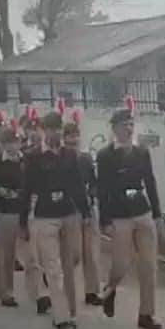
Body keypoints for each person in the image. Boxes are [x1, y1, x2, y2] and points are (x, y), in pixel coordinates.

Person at [20, 112, 90, 329]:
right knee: (53, 268)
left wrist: (86, 214)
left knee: (71, 264)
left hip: (69, 215)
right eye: (51, 129)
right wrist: (23, 222)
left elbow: (79, 187)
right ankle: (62, 320)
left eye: (59, 128)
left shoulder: (70, 156)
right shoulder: (33, 158)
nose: (56, 133)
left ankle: (69, 312)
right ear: (43, 131)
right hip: (45, 217)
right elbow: (26, 190)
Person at [97, 106, 162, 329]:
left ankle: (146, 313)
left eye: (131, 124)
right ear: (115, 129)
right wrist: (104, 220)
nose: (129, 128)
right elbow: (102, 189)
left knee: (149, 265)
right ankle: (110, 288)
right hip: (119, 215)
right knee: (122, 264)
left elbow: (150, 181)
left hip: (142, 211)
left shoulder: (141, 153)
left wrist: (156, 212)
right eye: (125, 125)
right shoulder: (105, 156)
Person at [0, 126, 49, 311]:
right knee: (6, 255)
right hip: (3, 212)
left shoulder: (27, 161)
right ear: (2, 144)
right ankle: (6, 292)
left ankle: (38, 294)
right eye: (8, 142)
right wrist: (0, 191)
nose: (13, 146)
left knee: (32, 256)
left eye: (15, 141)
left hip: (24, 212)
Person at [63, 113, 102, 306]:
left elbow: (94, 183)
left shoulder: (86, 160)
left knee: (91, 253)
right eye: (69, 141)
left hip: (88, 208)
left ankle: (92, 291)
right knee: (74, 254)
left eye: (75, 139)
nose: (73, 144)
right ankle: (59, 279)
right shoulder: (59, 161)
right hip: (69, 211)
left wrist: (93, 193)